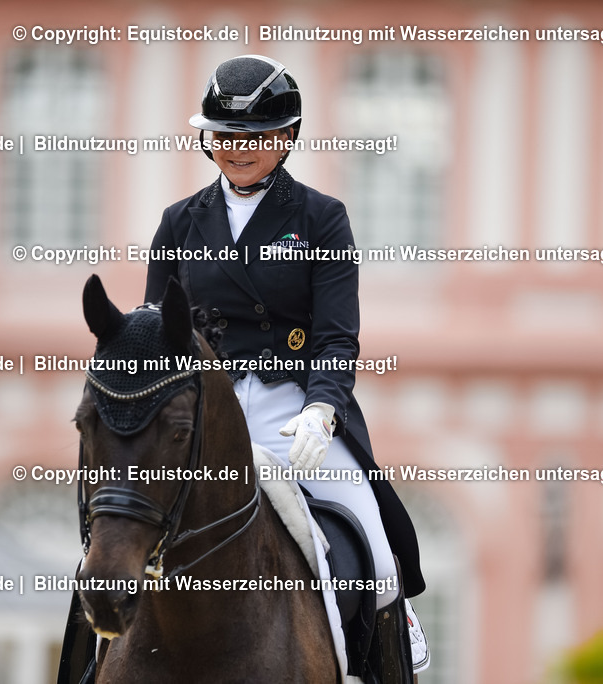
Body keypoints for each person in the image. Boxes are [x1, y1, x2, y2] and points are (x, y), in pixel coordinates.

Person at [144, 54, 429, 679]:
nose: (237, 150)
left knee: (379, 554)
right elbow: (157, 334)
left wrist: (322, 409)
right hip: (202, 408)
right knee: (117, 531)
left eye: (254, 138)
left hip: (291, 405)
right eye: (224, 136)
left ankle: (379, 656)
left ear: (286, 139)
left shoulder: (320, 217)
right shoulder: (178, 222)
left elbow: (335, 334)